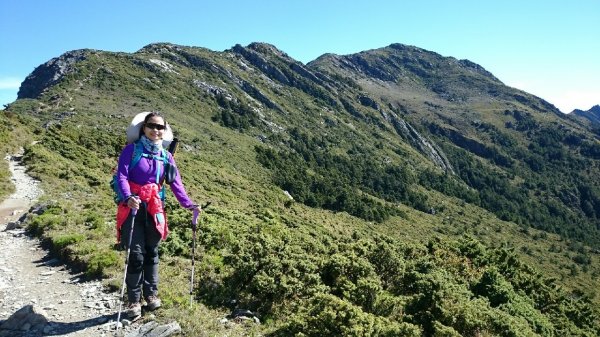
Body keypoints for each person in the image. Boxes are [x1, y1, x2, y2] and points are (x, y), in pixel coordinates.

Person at [115, 111, 198, 319]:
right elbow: (121, 177)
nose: (156, 130)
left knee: (151, 252)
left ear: (164, 131)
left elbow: (176, 184)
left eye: (160, 127)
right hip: (133, 206)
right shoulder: (131, 150)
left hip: (155, 208)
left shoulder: (166, 156)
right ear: (144, 127)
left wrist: (189, 205)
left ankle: (150, 295)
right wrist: (127, 197)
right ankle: (133, 300)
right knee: (135, 254)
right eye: (152, 125)